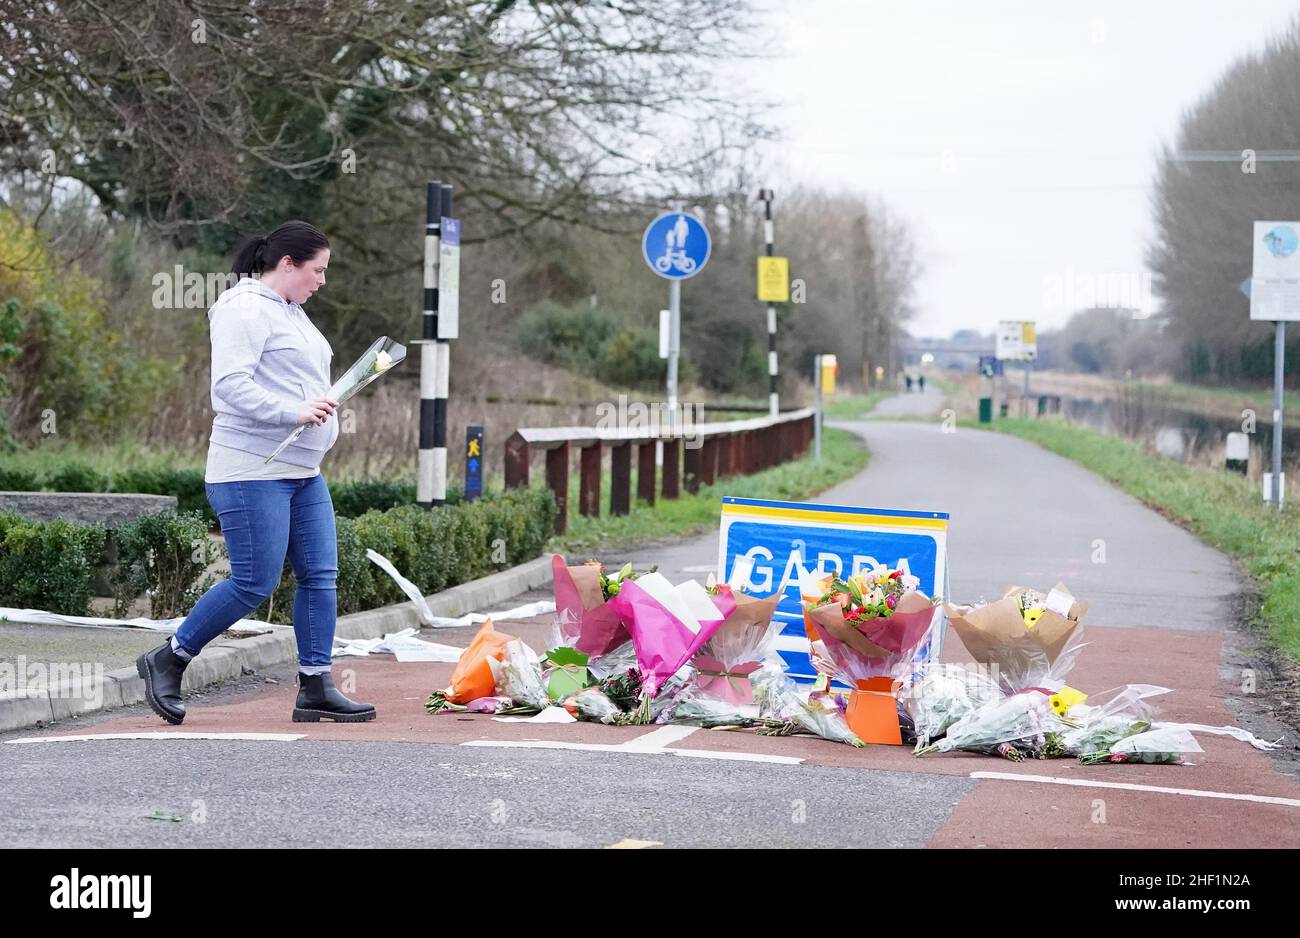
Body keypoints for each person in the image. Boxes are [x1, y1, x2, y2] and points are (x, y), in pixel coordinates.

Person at [135, 220, 376, 725]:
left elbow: (298, 378)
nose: (322, 280)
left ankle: (315, 686)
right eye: (318, 270)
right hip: (250, 469)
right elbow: (229, 389)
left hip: (303, 470)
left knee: (320, 575)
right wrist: (293, 411)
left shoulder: (293, 312)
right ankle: (169, 657)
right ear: (287, 264)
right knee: (254, 581)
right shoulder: (242, 308)